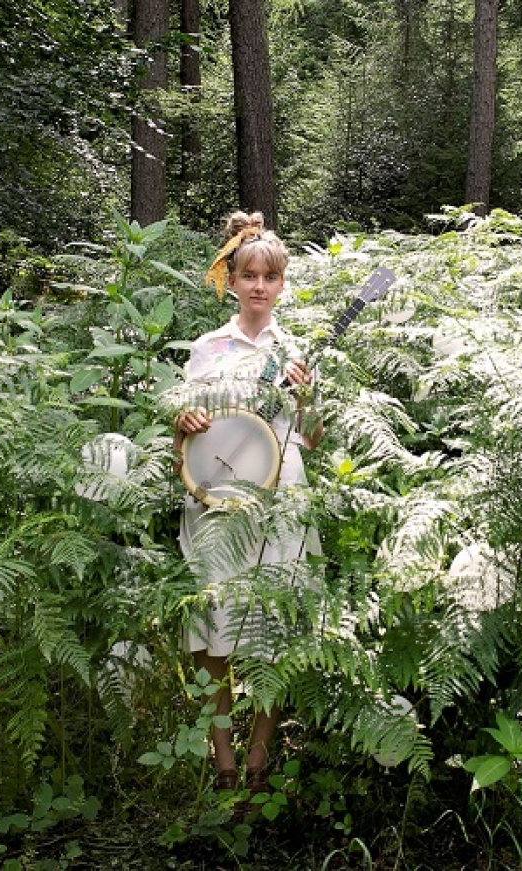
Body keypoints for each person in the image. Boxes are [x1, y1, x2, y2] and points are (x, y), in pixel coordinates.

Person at [174, 210, 320, 795]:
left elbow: (310, 437)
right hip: (218, 497)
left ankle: (258, 758)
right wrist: (183, 422)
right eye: (249, 276)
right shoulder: (208, 348)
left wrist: (307, 397)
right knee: (215, 624)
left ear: (282, 285)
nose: (260, 287)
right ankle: (222, 759)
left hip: (280, 499)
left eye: (271, 277)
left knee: (271, 625)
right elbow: (183, 436)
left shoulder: (296, 347)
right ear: (230, 280)